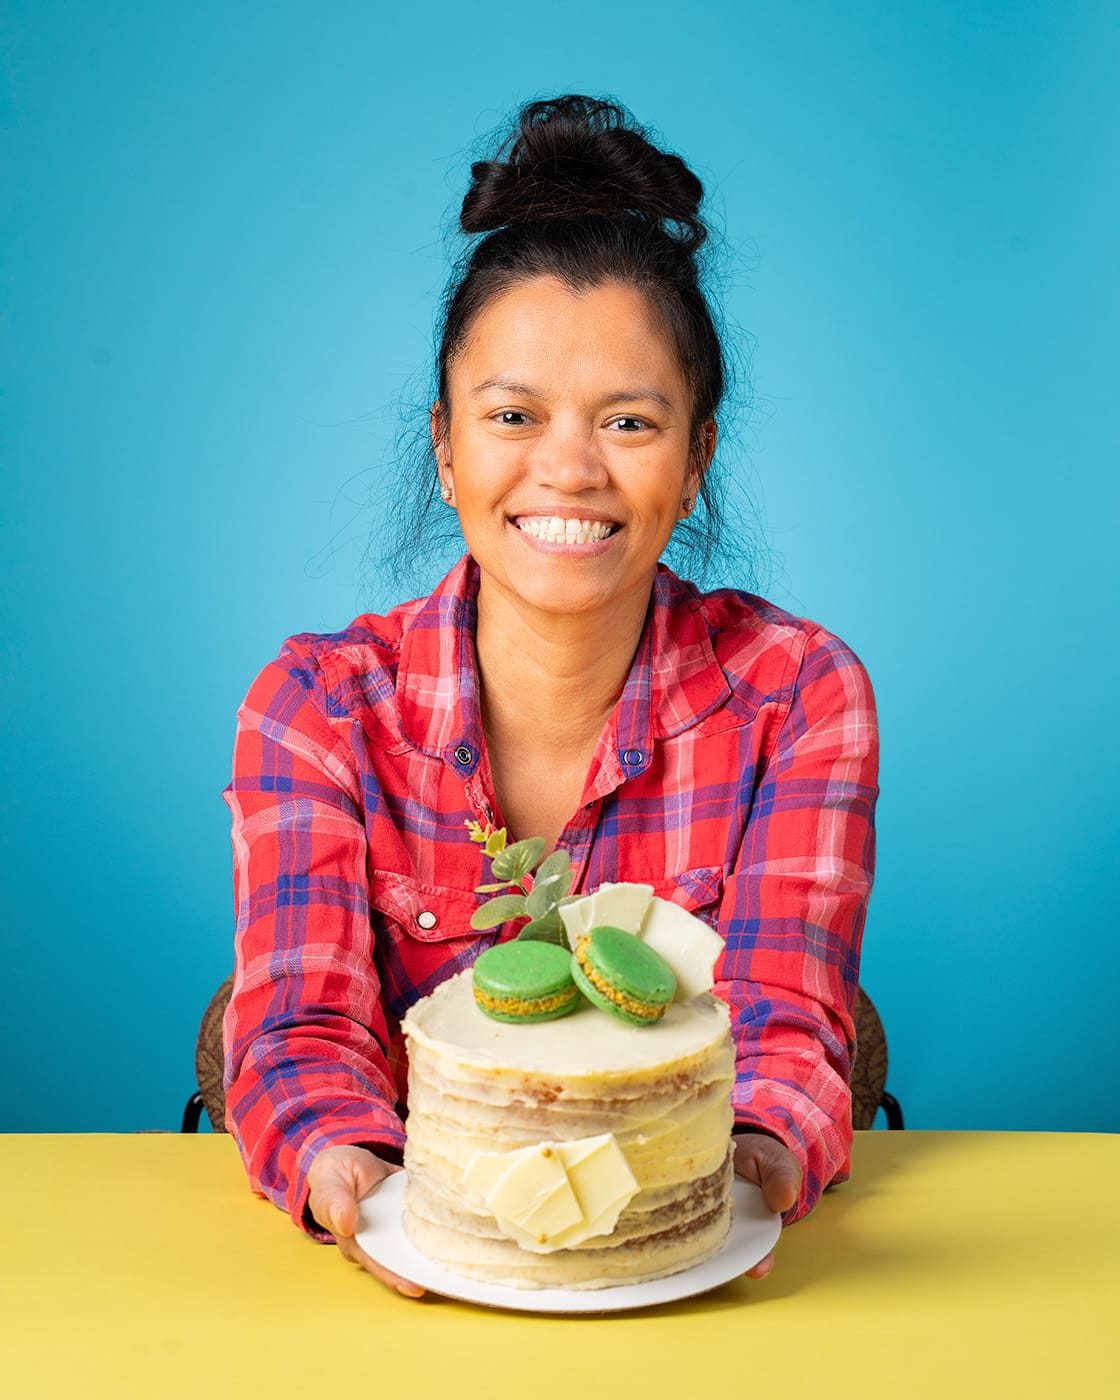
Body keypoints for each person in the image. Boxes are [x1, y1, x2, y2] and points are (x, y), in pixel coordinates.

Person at [222, 94, 879, 1298]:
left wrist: (749, 1170)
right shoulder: (315, 705)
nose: (568, 467)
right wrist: (352, 1182)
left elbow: (787, 1021)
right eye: (513, 415)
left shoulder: (796, 695)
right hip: (414, 1284)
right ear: (445, 446)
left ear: (695, 461)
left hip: (701, 1288)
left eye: (629, 420)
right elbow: (296, 1033)